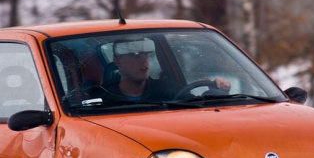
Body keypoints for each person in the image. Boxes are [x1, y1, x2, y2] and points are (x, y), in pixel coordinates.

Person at [94, 38, 231, 102]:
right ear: (117, 61)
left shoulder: (166, 89)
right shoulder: (103, 98)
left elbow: (196, 106)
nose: (143, 60)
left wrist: (217, 91)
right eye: (134, 55)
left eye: (146, 54)